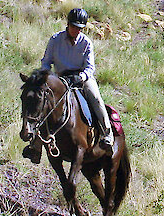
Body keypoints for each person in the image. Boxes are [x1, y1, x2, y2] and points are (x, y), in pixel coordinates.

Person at [40, 8, 114, 149]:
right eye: (73, 26)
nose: (76, 30)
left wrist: (80, 77)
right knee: (41, 100)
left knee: (96, 98)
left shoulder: (86, 43)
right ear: (68, 24)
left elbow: (90, 67)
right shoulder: (55, 40)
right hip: (60, 78)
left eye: (80, 28)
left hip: (81, 78)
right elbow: (46, 61)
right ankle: (35, 143)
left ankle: (107, 133)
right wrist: (47, 75)